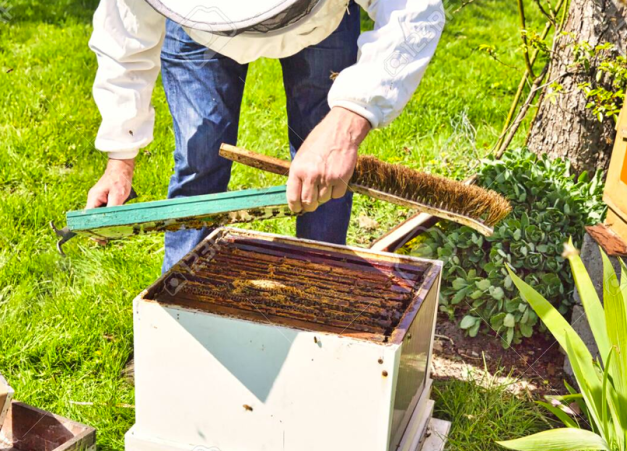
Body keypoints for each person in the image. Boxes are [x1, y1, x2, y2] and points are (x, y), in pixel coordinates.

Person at [85, 0, 445, 272]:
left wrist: (345, 127)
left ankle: (317, 283)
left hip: (321, 20)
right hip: (194, 29)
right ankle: (180, 298)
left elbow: (414, 9)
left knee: (325, 176)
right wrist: (120, 158)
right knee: (199, 162)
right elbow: (124, 35)